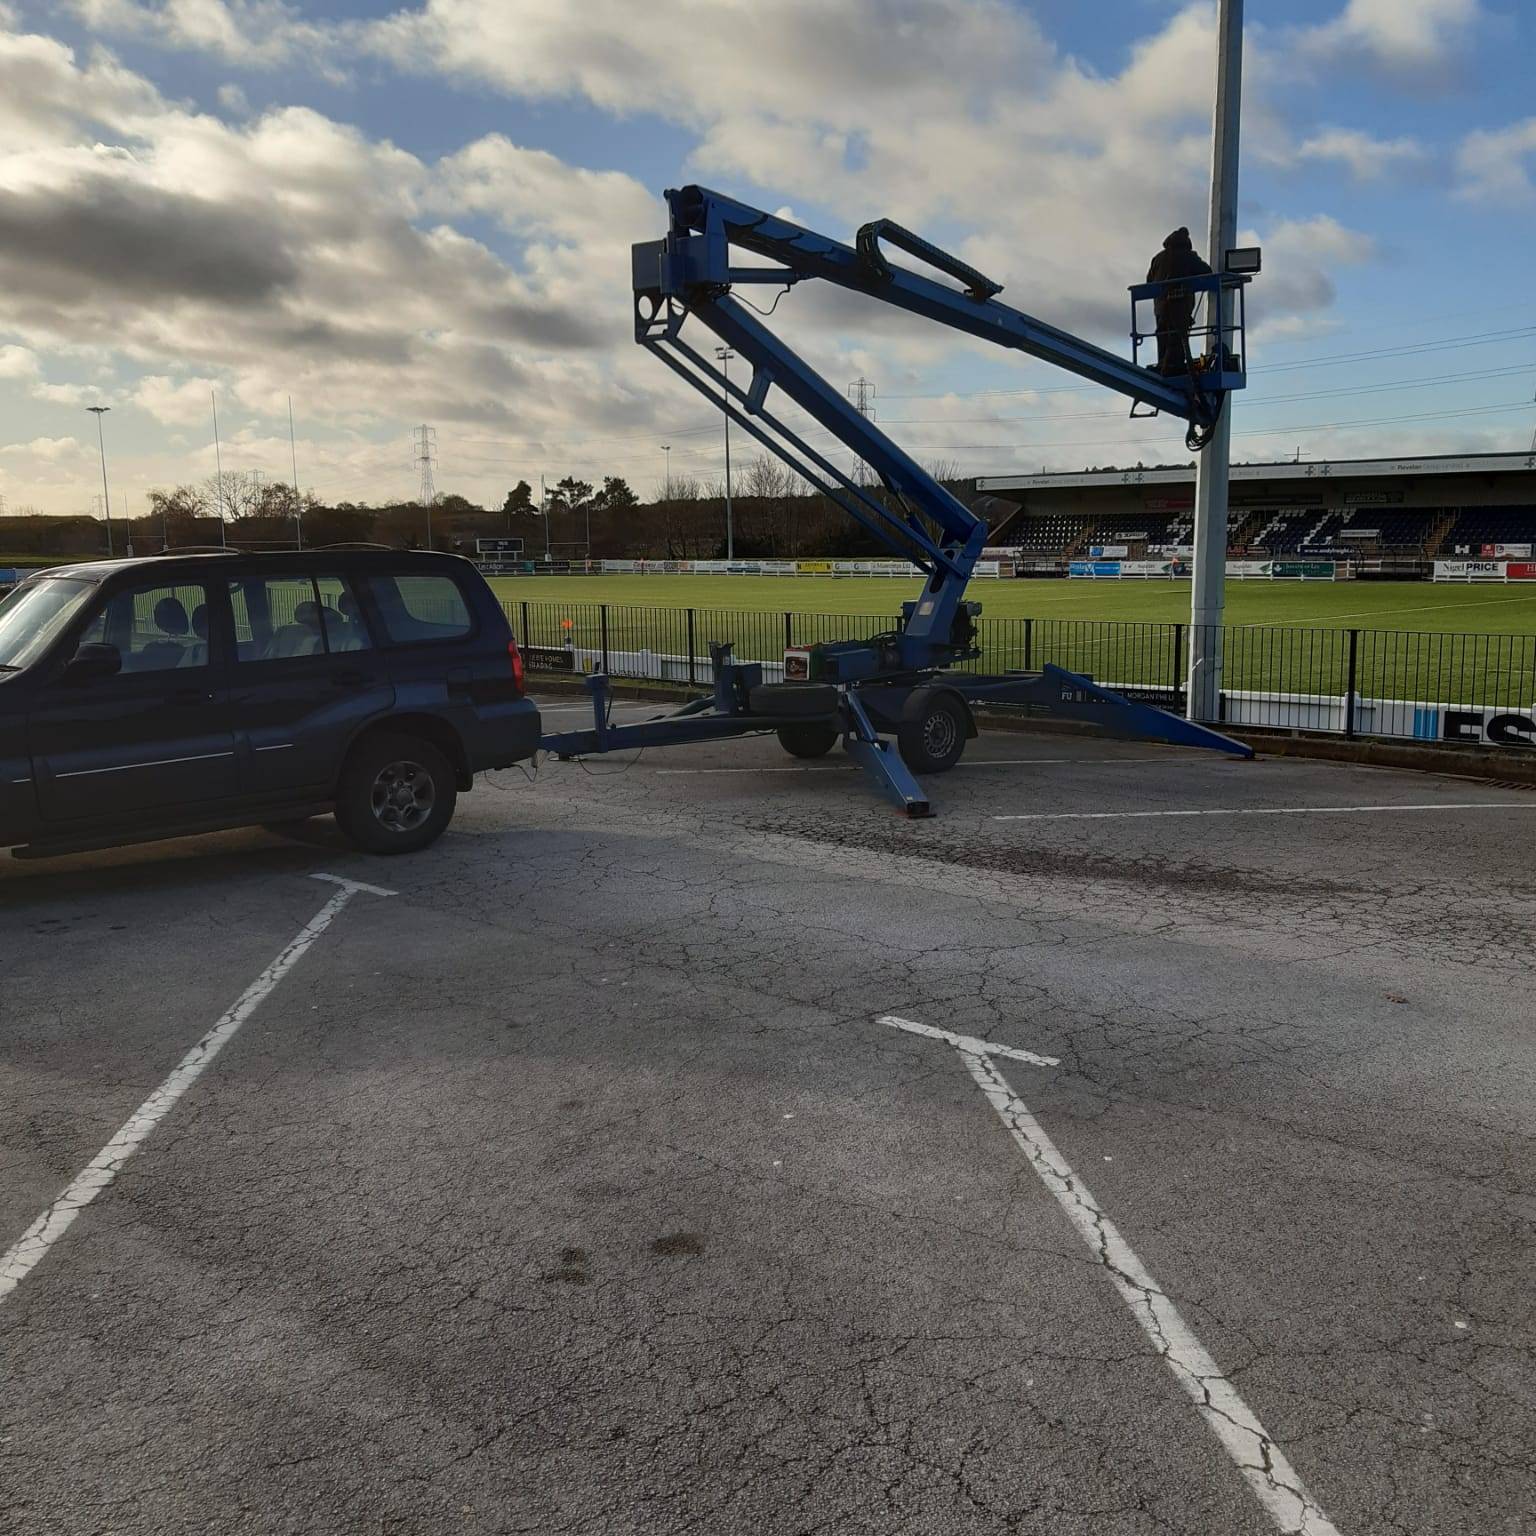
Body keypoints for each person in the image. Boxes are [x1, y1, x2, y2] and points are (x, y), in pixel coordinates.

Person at [1146, 227, 1211, 376]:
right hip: (1179, 306)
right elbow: (1207, 272)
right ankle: (1174, 368)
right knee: (1177, 338)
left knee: (1163, 335)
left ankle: (1163, 365)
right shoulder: (1188, 256)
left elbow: (1149, 282)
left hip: (1161, 307)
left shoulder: (1158, 258)